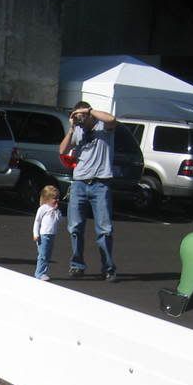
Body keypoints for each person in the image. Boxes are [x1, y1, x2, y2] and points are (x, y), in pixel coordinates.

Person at [59, 101, 117, 281]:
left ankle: (108, 268)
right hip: (79, 183)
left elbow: (112, 119)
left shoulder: (103, 127)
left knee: (104, 229)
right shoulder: (77, 130)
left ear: (88, 114)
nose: (80, 120)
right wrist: (71, 129)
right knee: (75, 227)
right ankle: (77, 265)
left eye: (81, 116)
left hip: (100, 184)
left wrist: (88, 111)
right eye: (76, 116)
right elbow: (62, 150)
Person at [32, 184, 61, 281]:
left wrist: (56, 211)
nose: (57, 200)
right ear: (47, 199)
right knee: (43, 255)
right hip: (43, 235)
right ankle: (39, 273)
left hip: (52, 235)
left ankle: (43, 272)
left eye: (57, 198)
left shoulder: (55, 210)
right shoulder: (43, 208)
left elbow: (58, 220)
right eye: (54, 198)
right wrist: (36, 234)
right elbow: (37, 222)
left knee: (48, 255)